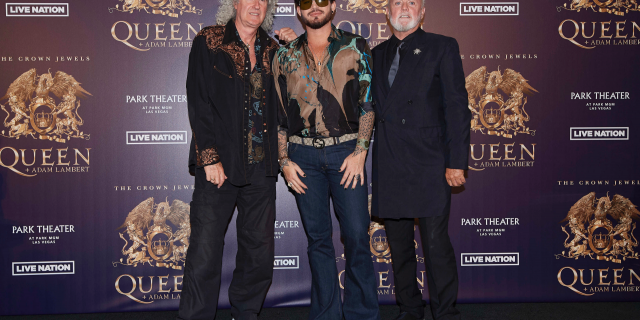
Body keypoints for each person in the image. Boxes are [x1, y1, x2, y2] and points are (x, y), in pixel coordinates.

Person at [178, 0, 295, 318]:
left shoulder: (273, 49)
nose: (257, 4)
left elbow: (294, 98)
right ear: (235, 3)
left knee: (259, 251)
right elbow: (198, 100)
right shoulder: (210, 40)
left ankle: (246, 312)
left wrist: (294, 48)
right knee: (205, 249)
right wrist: (209, 157)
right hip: (220, 164)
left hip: (262, 165)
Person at [272, 0, 380, 319]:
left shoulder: (355, 45)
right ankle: (327, 315)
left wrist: (360, 152)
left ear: (333, 6)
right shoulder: (284, 55)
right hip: (301, 156)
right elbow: (279, 116)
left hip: (346, 151)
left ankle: (362, 314)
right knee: (318, 241)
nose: (315, 7)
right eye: (307, 2)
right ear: (299, 10)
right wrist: (283, 160)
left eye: (322, 1)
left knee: (358, 235)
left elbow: (368, 104)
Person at [370, 0, 471, 319]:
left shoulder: (442, 46)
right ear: (386, 12)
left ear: (422, 12)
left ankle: (446, 313)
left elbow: (457, 107)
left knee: (436, 247)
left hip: (429, 164)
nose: (404, 7)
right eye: (396, 2)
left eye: (411, 2)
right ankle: (409, 310)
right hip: (390, 162)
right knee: (399, 249)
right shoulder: (375, 54)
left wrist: (457, 161)